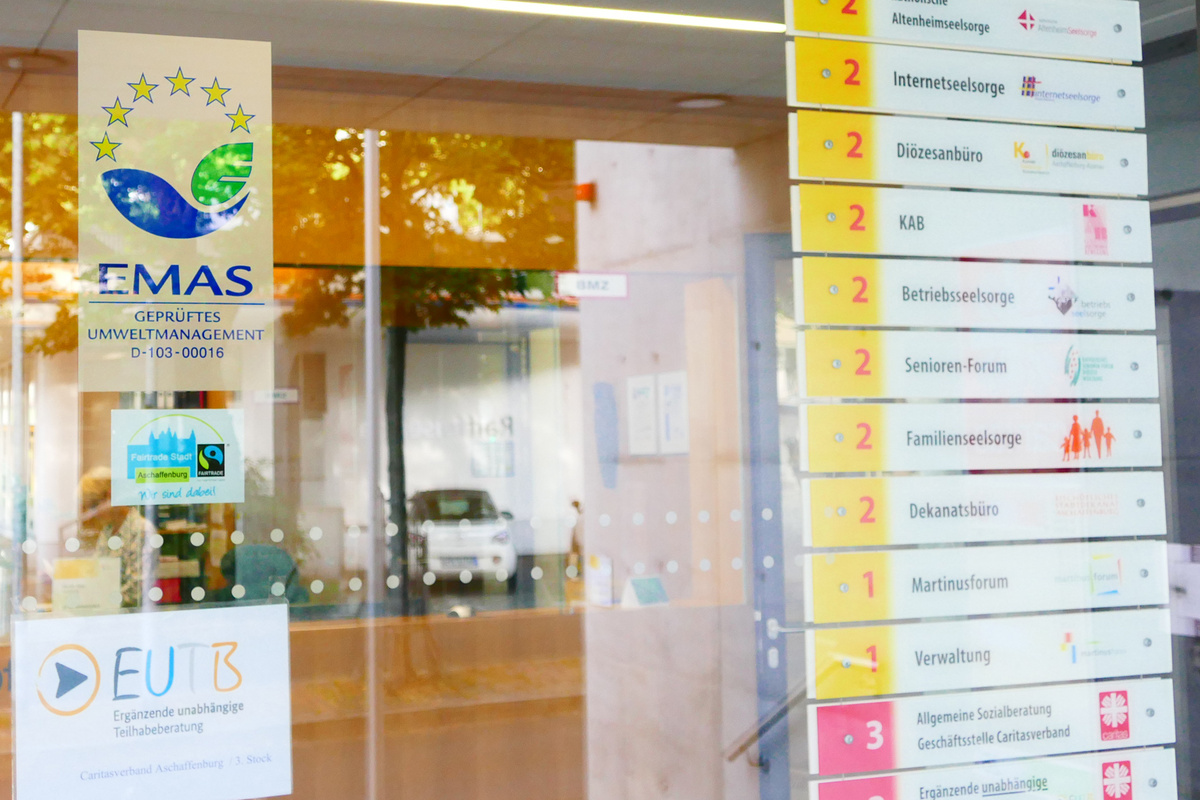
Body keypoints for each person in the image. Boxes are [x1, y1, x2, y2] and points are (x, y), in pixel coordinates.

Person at [77, 467, 158, 608]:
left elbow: (136, 592)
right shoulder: (108, 531)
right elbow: (97, 571)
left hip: (129, 615)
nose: (93, 513)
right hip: (106, 610)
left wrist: (97, 600)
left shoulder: (141, 530)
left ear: (110, 496)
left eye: (94, 506)